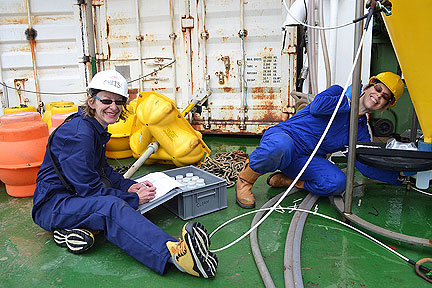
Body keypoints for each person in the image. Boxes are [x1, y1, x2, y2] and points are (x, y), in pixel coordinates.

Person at [32, 70, 218, 278]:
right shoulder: (79, 135)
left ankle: (72, 231)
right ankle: (175, 255)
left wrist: (127, 186)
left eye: (119, 102)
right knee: (111, 207)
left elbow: (102, 171)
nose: (113, 107)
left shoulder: (93, 126)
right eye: (107, 100)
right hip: (54, 205)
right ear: (92, 101)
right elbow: (90, 191)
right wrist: (132, 198)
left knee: (115, 192)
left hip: (72, 196)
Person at [236, 72, 405, 208]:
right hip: (285, 138)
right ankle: (245, 181)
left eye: (385, 96)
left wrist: (400, 175)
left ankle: (288, 180)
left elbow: (365, 165)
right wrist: (347, 101)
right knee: (281, 147)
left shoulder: (360, 131)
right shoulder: (337, 92)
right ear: (369, 87)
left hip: (306, 159)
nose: (378, 95)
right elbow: (318, 107)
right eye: (377, 88)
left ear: (385, 106)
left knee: (338, 183)